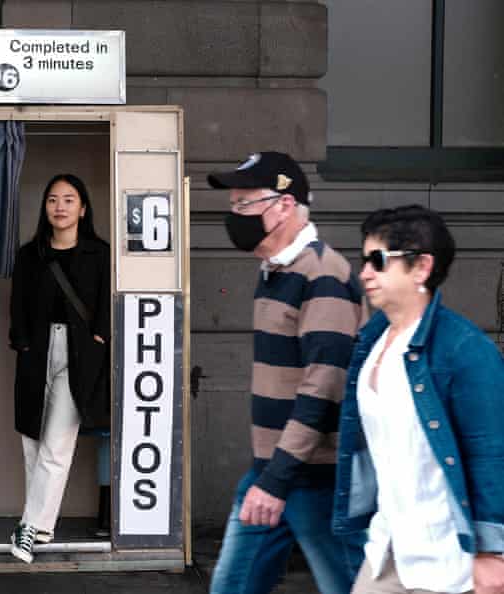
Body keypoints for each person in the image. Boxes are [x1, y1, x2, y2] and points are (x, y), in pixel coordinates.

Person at [206, 152, 365, 593]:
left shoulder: (322, 275)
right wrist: (272, 475)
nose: (235, 215)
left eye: (244, 203)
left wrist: (276, 479)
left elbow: (323, 385)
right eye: (233, 204)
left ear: (285, 206)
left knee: (351, 585)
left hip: (314, 477)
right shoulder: (276, 271)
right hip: (275, 470)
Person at [333, 205, 504, 594]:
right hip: (387, 548)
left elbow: (492, 452)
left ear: (422, 267)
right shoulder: (371, 342)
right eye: (364, 260)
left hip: (451, 560)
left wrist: (493, 551)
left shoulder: (464, 349)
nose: (365, 273)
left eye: (378, 261)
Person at [8, 174, 110, 564]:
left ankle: (28, 527)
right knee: (32, 440)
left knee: (57, 443)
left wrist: (100, 336)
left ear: (83, 209)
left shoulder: (99, 254)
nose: (60, 206)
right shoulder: (29, 255)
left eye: (69, 199)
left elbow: (107, 303)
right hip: (36, 352)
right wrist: (21, 341)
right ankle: (41, 525)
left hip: (80, 354)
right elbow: (17, 305)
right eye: (53, 199)